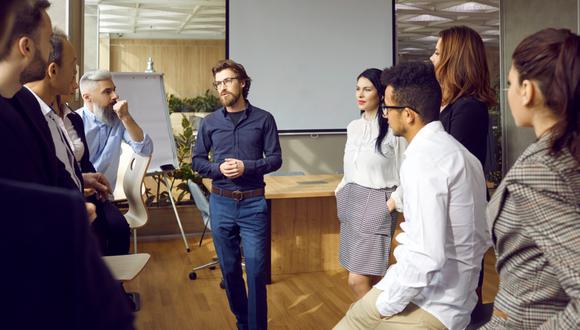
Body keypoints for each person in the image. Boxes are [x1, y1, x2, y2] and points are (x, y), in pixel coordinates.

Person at [0, 1, 134, 328]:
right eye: (48, 44)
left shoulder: (26, 109)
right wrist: (67, 212)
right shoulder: (20, 111)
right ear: (27, 47)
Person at [334, 62, 491, 330]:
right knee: (351, 320)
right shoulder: (457, 153)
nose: (384, 115)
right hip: (434, 289)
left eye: (387, 108)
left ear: (407, 114)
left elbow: (426, 258)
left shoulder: (423, 161)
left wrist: (385, 306)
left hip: (435, 304)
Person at [481, 28, 580, 329]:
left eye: (509, 83)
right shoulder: (568, 151)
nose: (507, 92)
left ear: (528, 90)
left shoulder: (539, 172)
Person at [192, 59, 282, 330]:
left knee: (255, 271)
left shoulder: (264, 119)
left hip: (254, 204)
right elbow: (196, 161)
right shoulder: (209, 123)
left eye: (228, 81)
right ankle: (243, 322)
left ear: (242, 82)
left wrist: (248, 167)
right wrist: (217, 168)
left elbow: (276, 159)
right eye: (218, 83)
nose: (222, 88)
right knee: (230, 271)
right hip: (221, 204)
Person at [25, 31, 131, 255]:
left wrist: (82, 180)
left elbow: (63, 168)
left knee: (115, 232)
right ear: (52, 70)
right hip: (62, 219)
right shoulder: (30, 117)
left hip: (85, 203)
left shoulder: (61, 118)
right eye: (73, 70)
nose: (75, 79)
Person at [335, 68, 406, 299]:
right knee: (368, 275)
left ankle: (371, 321)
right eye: (358, 89)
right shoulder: (353, 127)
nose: (360, 94)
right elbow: (350, 169)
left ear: (381, 93)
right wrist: (341, 191)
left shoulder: (393, 129)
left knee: (356, 280)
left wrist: (392, 202)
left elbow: (408, 170)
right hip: (351, 201)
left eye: (367, 89)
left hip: (379, 201)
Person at [77, 69, 153, 191]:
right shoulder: (74, 123)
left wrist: (126, 117)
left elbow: (145, 150)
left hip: (106, 196)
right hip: (80, 196)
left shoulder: (118, 119)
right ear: (87, 97)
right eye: (107, 92)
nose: (115, 96)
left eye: (114, 90)